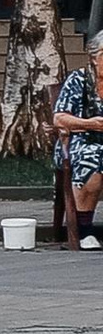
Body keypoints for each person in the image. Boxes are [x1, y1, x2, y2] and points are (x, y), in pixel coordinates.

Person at [56, 39, 103, 251]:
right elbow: (60, 118)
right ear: (94, 58)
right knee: (93, 156)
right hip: (80, 140)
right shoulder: (79, 80)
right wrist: (89, 124)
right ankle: (85, 230)